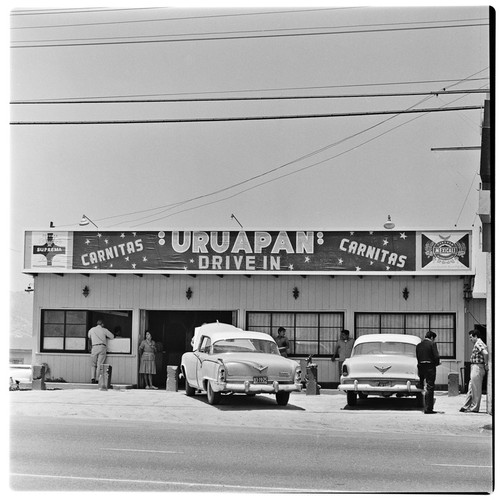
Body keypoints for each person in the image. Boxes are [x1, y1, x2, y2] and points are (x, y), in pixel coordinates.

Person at [460, 329, 489, 413]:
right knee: (471, 387)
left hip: (478, 367)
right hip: (474, 367)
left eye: (471, 337)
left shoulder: (478, 343)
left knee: (476, 389)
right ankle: (466, 406)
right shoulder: (478, 343)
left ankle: (474, 408)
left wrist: (486, 364)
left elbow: (485, 353)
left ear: (476, 336)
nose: (470, 339)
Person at [416, 331, 441, 414]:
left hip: (421, 366)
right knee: (430, 387)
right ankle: (428, 408)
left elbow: (418, 356)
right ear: (432, 338)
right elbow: (436, 356)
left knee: (422, 385)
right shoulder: (432, 344)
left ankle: (420, 383)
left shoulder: (419, 345)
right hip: (430, 366)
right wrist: (437, 363)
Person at [88, 319, 114, 384]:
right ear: (102, 324)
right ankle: (97, 379)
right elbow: (112, 336)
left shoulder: (91, 330)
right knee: (99, 364)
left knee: (93, 364)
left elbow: (89, 337)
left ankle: (92, 378)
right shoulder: (104, 330)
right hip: (102, 347)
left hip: (94, 347)